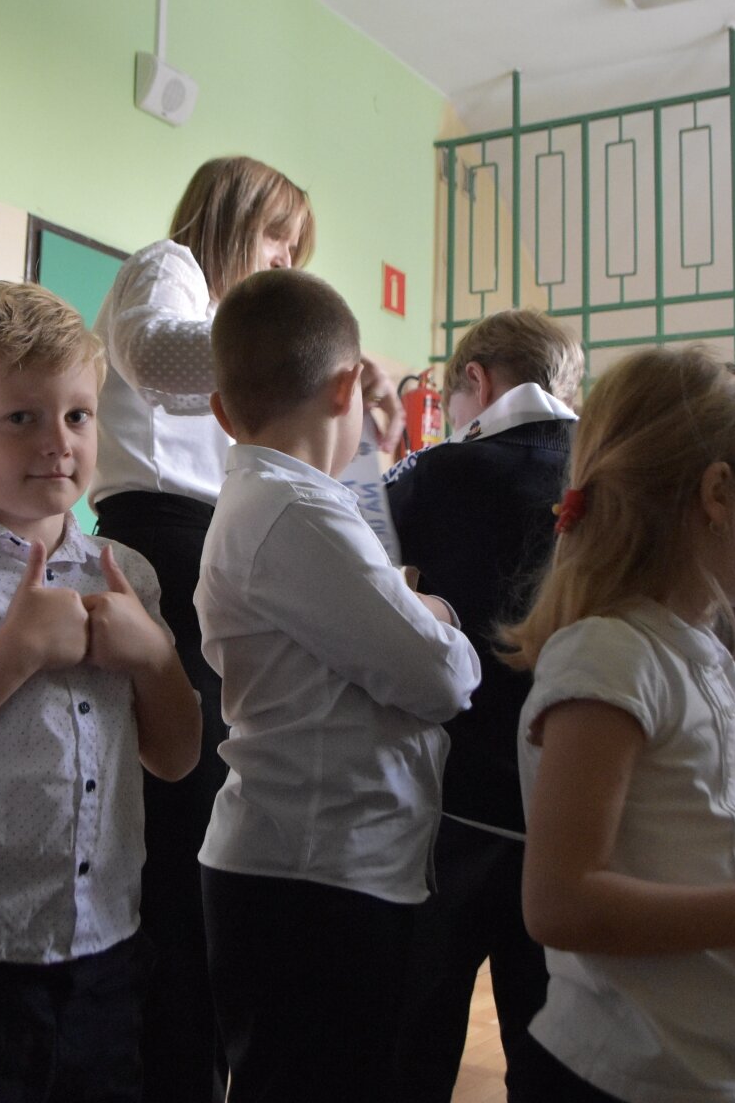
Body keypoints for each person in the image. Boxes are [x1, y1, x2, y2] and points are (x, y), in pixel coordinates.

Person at [87, 154, 404, 1103]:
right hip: (161, 539)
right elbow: (154, 360)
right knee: (180, 816)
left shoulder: (225, 337)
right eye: (276, 238)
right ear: (228, 219)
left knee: (208, 810)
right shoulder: (167, 268)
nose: (283, 261)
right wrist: (290, 349)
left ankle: (199, 1055)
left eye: (294, 250)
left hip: (208, 542)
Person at [499, 347, 735, 1103]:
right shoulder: (612, 655)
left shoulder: (688, 650)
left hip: (706, 1064)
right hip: (636, 1074)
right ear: (718, 493)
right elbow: (561, 902)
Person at [0, 282, 200, 1102]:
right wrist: (12, 653)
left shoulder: (129, 576)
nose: (57, 442)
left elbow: (176, 755)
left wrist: (155, 658)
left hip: (108, 962)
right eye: (21, 417)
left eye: (78, 415)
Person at [195, 269, 479, 1103]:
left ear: (220, 411)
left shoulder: (280, 501)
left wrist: (407, 607)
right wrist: (441, 613)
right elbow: (440, 678)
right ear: (348, 387)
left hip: (311, 865)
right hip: (314, 874)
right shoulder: (295, 511)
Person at [384, 308, 581, 1101]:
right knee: (554, 1050)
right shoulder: (611, 476)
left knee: (421, 1039)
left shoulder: (440, 471)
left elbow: (354, 554)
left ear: (475, 379)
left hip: (457, 805)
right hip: (572, 806)